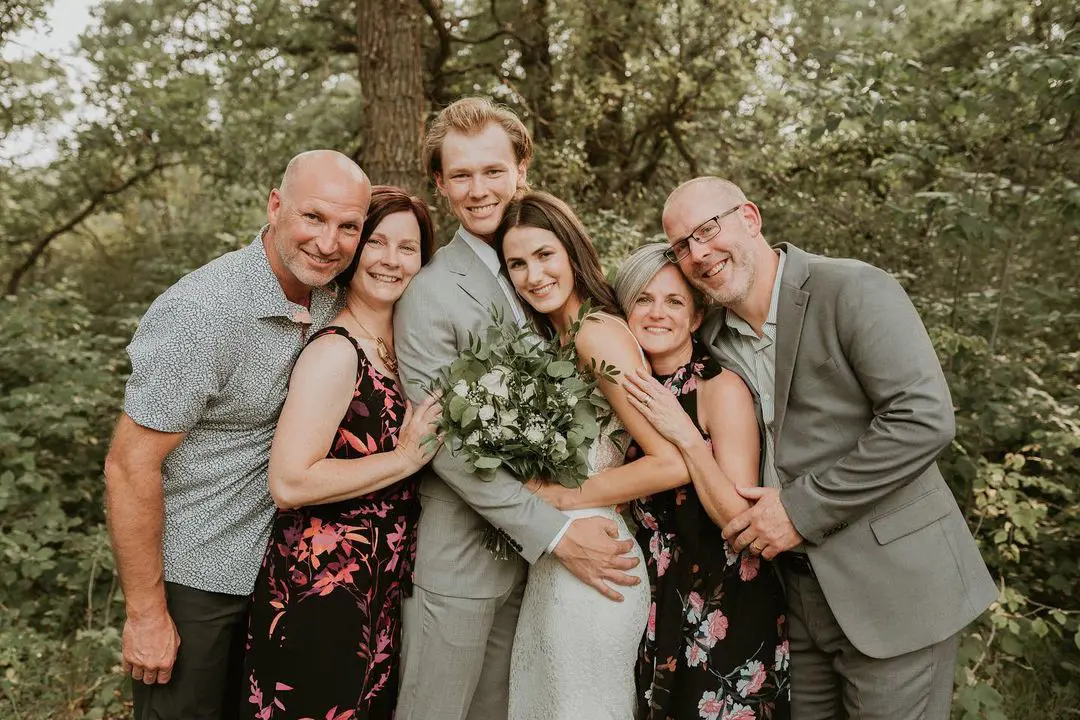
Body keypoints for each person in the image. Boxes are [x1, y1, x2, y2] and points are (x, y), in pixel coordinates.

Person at [661, 176, 997, 720]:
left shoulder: (852, 288)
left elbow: (923, 420)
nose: (698, 253)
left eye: (707, 229)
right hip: (794, 598)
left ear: (749, 217)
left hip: (893, 588)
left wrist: (798, 508)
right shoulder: (713, 336)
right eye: (682, 245)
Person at [392, 96, 641, 720]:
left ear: (522, 169)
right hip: (467, 565)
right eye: (462, 175)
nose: (480, 190)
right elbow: (442, 444)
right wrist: (553, 530)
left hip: (549, 576)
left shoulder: (546, 270)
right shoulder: (428, 293)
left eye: (493, 170)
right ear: (441, 184)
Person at [103, 150, 372, 720]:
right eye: (314, 218)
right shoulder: (204, 311)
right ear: (275, 207)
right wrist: (147, 614)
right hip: (195, 580)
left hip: (283, 578)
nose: (329, 242)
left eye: (349, 227)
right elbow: (129, 466)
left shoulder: (333, 297)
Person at [243, 186, 442, 719]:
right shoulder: (336, 351)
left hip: (377, 593)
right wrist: (402, 460)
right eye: (377, 242)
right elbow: (288, 482)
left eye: (408, 248)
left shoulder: (407, 351)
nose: (391, 260)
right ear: (354, 250)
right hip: (321, 593)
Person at [495, 192, 677, 720]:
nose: (534, 275)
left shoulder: (597, 335)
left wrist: (558, 495)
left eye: (545, 255)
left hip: (598, 557)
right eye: (518, 263)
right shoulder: (556, 339)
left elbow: (668, 462)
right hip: (559, 555)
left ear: (572, 252)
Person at [613, 242, 791, 720]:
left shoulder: (720, 388)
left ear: (695, 318)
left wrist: (688, 439)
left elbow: (740, 519)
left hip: (724, 597)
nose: (657, 313)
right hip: (649, 593)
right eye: (643, 299)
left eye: (674, 302)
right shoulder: (620, 386)